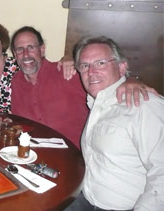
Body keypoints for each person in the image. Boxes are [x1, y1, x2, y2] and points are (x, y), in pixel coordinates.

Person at [42, 36, 164, 211]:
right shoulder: (97, 104)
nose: (91, 72)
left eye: (100, 63)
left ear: (122, 67)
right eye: (84, 66)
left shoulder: (143, 104)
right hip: (86, 203)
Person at [10, 26, 154, 149]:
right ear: (15, 55)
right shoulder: (16, 82)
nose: (26, 54)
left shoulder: (68, 73)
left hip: (77, 161)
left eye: (31, 47)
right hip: (32, 157)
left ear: (42, 50)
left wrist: (131, 80)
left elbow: (107, 82)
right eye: (20, 49)